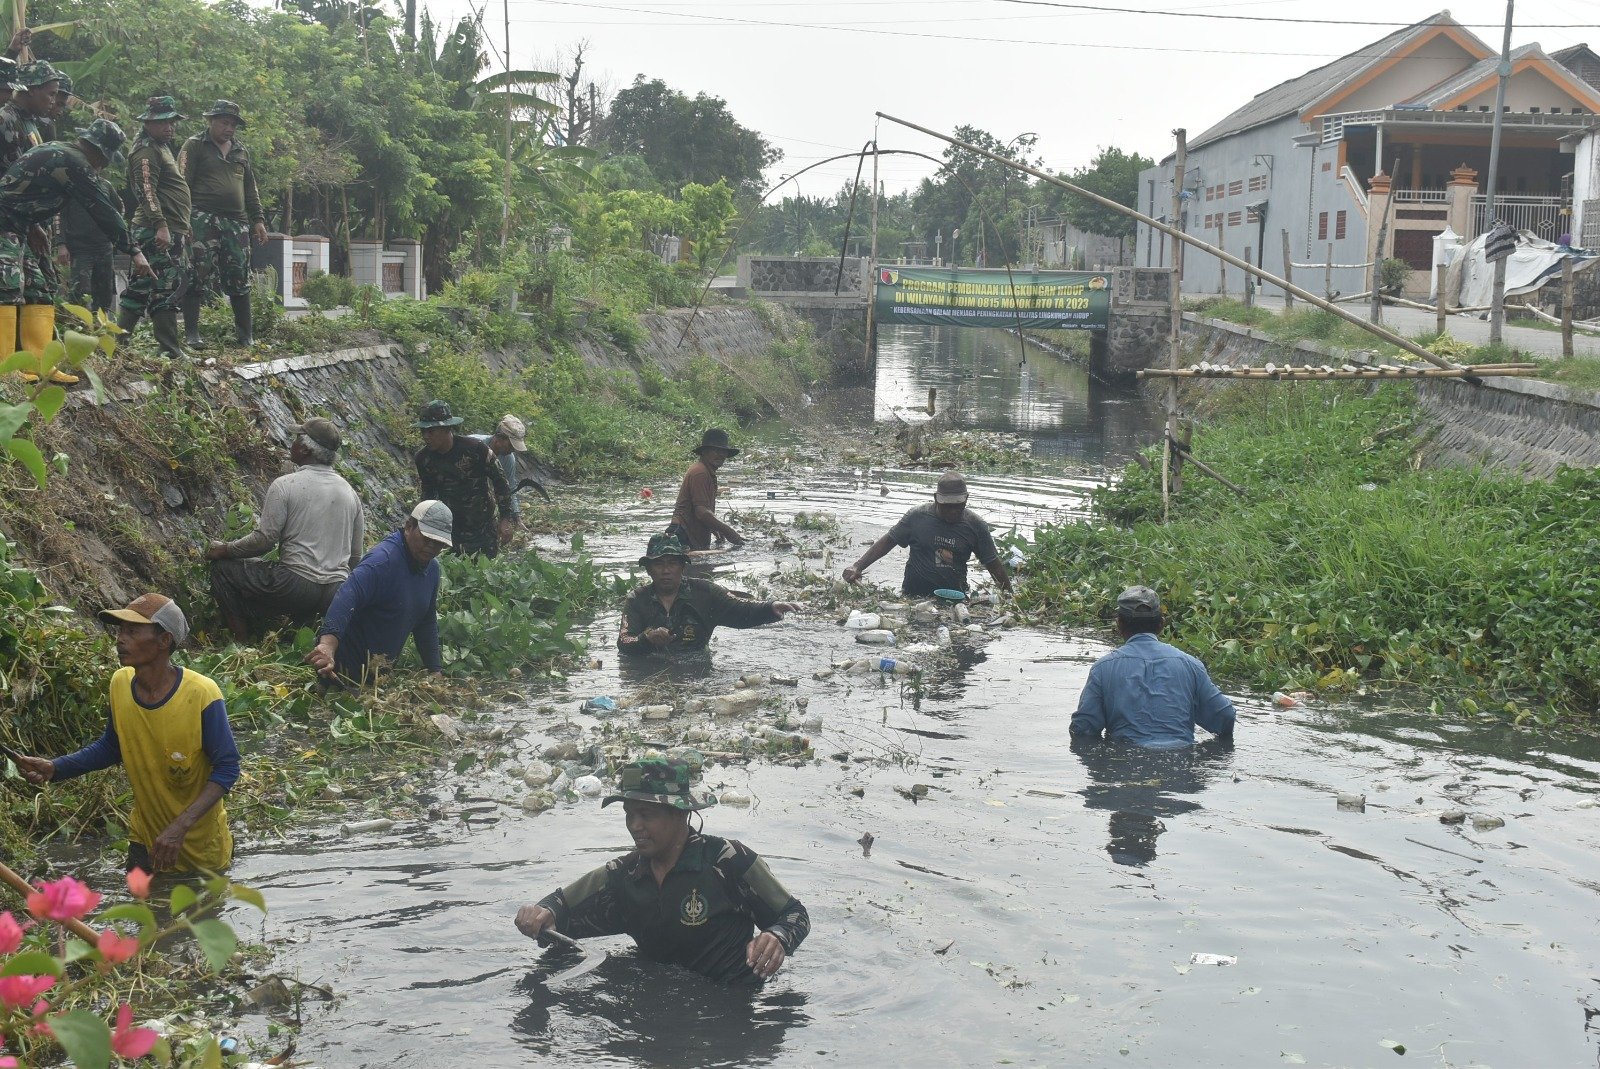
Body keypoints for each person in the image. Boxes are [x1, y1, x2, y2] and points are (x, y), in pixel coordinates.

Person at [514, 757, 809, 986]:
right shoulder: (624, 876)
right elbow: (561, 908)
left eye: (646, 815)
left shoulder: (727, 861)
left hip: (730, 1003)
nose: (635, 826)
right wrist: (539, 915)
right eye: (629, 814)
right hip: (654, 998)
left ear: (680, 813)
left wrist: (778, 936)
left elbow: (795, 914)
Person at [12, 594, 239, 873]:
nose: (120, 639)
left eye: (132, 631)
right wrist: (55, 768)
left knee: (197, 913)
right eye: (120, 631)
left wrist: (179, 827)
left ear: (164, 640)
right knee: (142, 911)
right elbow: (112, 746)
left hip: (199, 850)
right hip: (144, 838)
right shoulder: (120, 683)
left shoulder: (202, 693)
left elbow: (227, 767)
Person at [0, 120, 153, 383]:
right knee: (7, 288)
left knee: (40, 287)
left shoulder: (60, 151)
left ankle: (38, 365)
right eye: (105, 159)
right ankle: (5, 371)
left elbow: (24, 193)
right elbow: (103, 209)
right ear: (98, 150)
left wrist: (35, 225)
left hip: (19, 225)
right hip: (4, 223)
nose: (103, 166)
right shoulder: (73, 162)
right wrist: (134, 251)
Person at [206, 417, 365, 642]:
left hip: (294, 585)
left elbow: (264, 540)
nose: (292, 444)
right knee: (300, 610)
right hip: (334, 591)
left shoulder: (286, 484)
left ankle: (240, 642)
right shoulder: (351, 494)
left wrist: (224, 550)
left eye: (296, 440)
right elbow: (356, 557)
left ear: (304, 449)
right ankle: (293, 637)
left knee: (222, 570)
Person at [1070, 586, 1236, 749]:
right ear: (1161, 624)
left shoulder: (1102, 669)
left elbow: (1084, 729)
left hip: (1125, 765)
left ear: (1119, 624)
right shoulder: (1191, 665)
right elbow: (1225, 717)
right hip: (1180, 764)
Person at [306, 500, 451, 684]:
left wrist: (434, 669)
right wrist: (327, 645)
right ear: (409, 527)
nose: (431, 547)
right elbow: (347, 595)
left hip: (378, 679)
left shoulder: (432, 570)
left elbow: (426, 620)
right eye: (427, 539)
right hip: (341, 673)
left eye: (438, 543)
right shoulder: (383, 561)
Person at [618, 534, 798, 657]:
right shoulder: (637, 600)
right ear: (649, 569)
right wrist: (647, 639)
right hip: (649, 670)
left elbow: (742, 610)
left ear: (682, 567)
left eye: (672, 563)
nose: (666, 570)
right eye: (659, 564)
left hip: (696, 669)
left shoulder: (704, 593)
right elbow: (624, 642)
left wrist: (770, 607)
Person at [178, 100, 267, 349]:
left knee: (240, 275)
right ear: (211, 121)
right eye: (225, 123)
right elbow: (181, 184)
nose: (229, 129)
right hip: (201, 217)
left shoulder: (241, 151)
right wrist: (182, 219)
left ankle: (245, 335)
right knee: (197, 272)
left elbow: (250, 188)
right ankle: (192, 334)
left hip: (236, 222)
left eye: (233, 125)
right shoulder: (194, 146)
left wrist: (257, 219)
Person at [843, 472, 1012, 598]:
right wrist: (858, 566)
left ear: (966, 499)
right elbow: (888, 541)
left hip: (954, 598)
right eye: (947, 506)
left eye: (958, 506)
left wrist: (1009, 597)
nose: (953, 512)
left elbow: (993, 564)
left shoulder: (975, 525)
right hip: (912, 595)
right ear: (936, 498)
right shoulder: (917, 516)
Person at [118, 95, 192, 358]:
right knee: (165, 287)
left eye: (172, 122)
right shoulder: (146, 150)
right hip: (155, 230)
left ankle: (116, 346)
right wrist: (161, 225)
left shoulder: (161, 147)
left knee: (141, 288)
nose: (169, 127)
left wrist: (183, 225)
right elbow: (145, 190)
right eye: (163, 122)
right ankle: (170, 349)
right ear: (148, 122)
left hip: (169, 227)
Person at [414, 399, 515, 557]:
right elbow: (428, 494)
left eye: (431, 431)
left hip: (483, 528)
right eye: (423, 431)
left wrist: (506, 518)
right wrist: (422, 525)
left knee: (484, 575)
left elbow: (501, 483)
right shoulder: (423, 459)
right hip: (450, 530)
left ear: (447, 428)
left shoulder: (476, 450)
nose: (426, 436)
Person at [668, 428, 744, 551]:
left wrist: (714, 529)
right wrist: (728, 531)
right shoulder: (700, 473)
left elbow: (699, 510)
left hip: (688, 534)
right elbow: (701, 512)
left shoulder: (706, 472)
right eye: (715, 450)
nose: (720, 455)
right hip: (683, 534)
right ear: (704, 452)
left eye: (723, 451)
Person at [467, 414, 547, 527]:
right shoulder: (472, 445)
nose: (513, 450)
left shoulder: (508, 458)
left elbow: (509, 488)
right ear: (499, 438)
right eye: (511, 445)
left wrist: (516, 517)